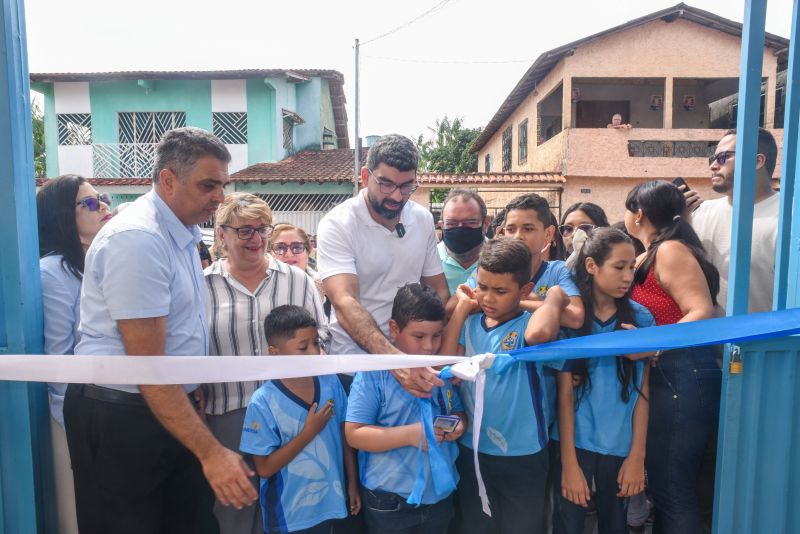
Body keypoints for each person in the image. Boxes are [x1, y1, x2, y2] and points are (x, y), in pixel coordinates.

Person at [64, 127, 257, 533]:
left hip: (165, 406)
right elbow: (148, 366)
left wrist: (194, 393)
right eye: (208, 185)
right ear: (168, 180)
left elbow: (180, 334)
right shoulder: (139, 239)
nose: (220, 197)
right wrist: (212, 453)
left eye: (223, 184)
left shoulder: (181, 234)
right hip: (125, 415)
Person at [204, 193, 327, 534]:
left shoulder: (296, 280)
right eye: (245, 230)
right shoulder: (203, 286)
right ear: (222, 235)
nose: (256, 239)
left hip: (292, 413)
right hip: (231, 413)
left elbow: (324, 338)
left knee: (294, 507)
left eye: (262, 229)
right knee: (237, 507)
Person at [440, 238, 570, 534]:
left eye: (500, 291)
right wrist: (461, 309)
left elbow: (541, 334)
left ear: (524, 291)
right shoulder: (471, 324)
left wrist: (554, 297)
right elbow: (445, 364)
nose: (487, 298)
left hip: (524, 456)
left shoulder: (528, 325)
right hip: (473, 452)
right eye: (482, 287)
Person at [317, 134, 448, 397]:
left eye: (407, 186)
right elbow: (344, 302)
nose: (397, 197)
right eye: (386, 184)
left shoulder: (422, 219)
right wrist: (394, 360)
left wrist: (426, 347)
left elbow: (438, 291)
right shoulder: (337, 224)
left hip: (410, 362)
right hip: (354, 367)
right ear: (365, 177)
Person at [625, 180, 721, 534]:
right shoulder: (649, 253)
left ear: (638, 214)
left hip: (681, 372)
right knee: (669, 486)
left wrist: (653, 345)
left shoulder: (669, 251)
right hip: (670, 375)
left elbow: (700, 311)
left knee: (671, 488)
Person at [550, 228, 655, 534]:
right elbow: (565, 393)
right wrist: (569, 463)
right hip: (574, 442)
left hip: (620, 444)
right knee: (567, 524)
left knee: (614, 524)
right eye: (619, 267)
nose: (628, 276)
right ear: (592, 265)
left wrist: (638, 455)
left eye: (632, 267)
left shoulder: (641, 319)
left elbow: (642, 392)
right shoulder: (571, 319)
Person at [346, 284, 466, 533]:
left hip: (440, 496)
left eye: (437, 336)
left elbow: (456, 410)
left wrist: (458, 423)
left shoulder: (441, 369)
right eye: (419, 336)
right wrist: (411, 435)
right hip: (390, 501)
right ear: (394, 329)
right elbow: (354, 433)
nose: (428, 347)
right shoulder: (374, 374)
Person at [241, 305, 360, 534]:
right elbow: (264, 468)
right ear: (275, 353)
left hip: (332, 505)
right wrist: (309, 433)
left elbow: (345, 439)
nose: (314, 353)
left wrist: (352, 483)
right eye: (303, 347)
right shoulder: (262, 402)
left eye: (316, 343)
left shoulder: (330, 383)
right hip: (289, 517)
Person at [37, 175, 112, 534]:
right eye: (92, 203)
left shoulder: (98, 261)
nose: (104, 208)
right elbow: (58, 359)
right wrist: (77, 426)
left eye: (104, 198)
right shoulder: (52, 273)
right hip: (77, 417)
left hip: (110, 411)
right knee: (79, 515)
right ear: (62, 215)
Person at [691, 127, 779, 314]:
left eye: (723, 157)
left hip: (769, 341)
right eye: (712, 158)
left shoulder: (790, 218)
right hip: (708, 340)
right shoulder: (700, 213)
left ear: (757, 161)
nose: (713, 165)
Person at [438, 189, 491, 295]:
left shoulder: (503, 258)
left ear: (486, 223)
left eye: (470, 223)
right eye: (452, 223)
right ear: (442, 225)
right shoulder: (429, 260)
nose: (460, 229)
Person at [270, 223, 325, 300]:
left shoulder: (327, 287)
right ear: (270, 253)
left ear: (308, 251)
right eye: (280, 248)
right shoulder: (259, 287)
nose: (288, 254)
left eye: (297, 247)